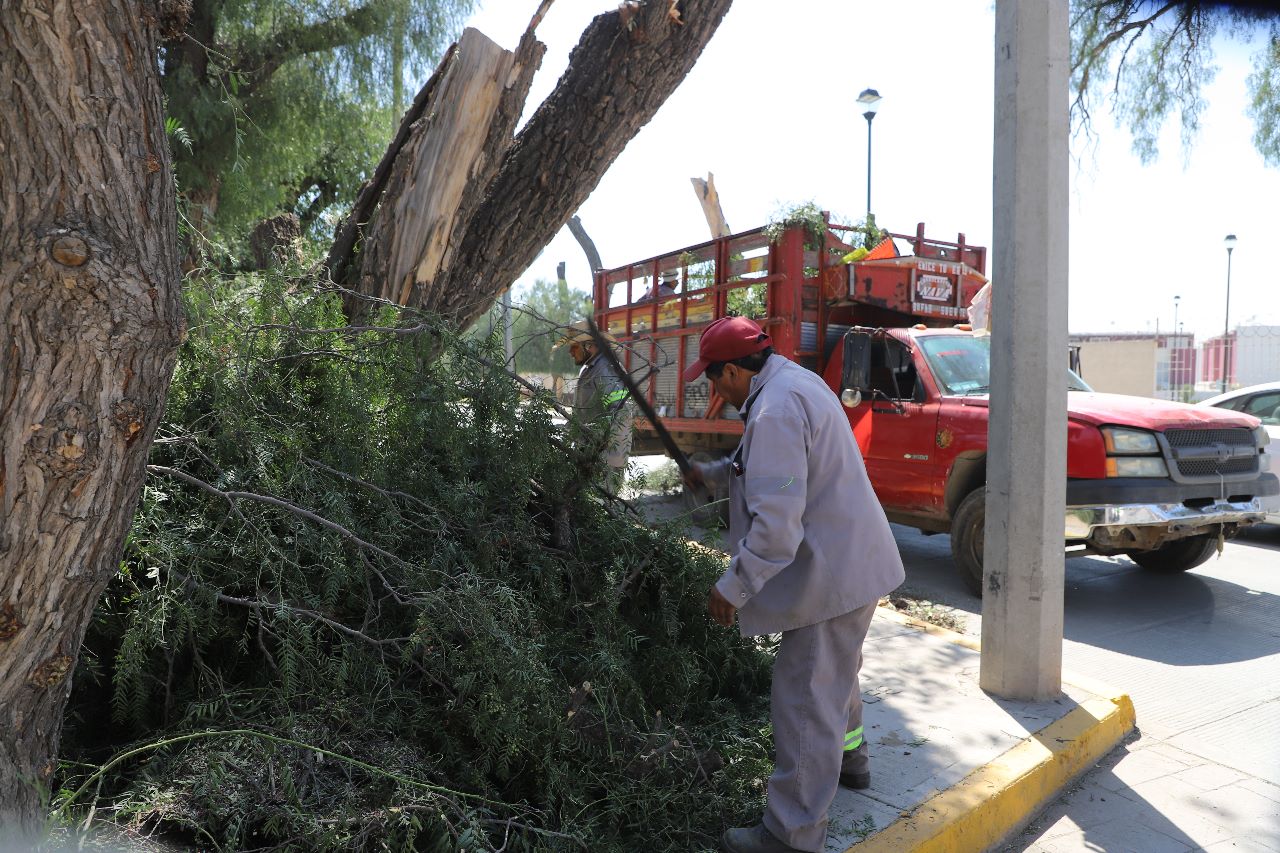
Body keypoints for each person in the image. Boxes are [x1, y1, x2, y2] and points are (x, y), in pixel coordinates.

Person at [683, 316, 905, 853]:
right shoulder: (793, 383)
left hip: (831, 578)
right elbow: (771, 471)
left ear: (734, 370)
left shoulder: (776, 410)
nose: (715, 391)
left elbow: (777, 531)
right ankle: (852, 760)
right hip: (854, 565)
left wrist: (731, 587)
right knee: (835, 675)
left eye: (714, 380)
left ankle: (791, 834)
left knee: (805, 701)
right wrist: (712, 473)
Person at [554, 321, 634, 491]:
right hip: (589, 454)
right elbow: (583, 415)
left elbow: (621, 411)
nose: (570, 352)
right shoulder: (589, 369)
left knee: (600, 506)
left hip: (605, 460)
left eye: (573, 347)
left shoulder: (605, 368)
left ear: (588, 346)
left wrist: (601, 453)